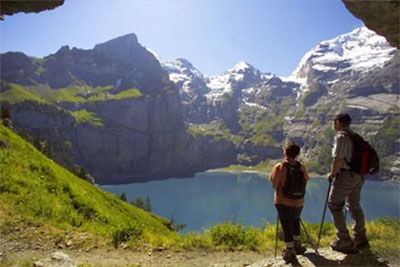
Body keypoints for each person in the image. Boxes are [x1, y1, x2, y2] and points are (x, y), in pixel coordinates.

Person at [327, 113, 369, 252]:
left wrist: (332, 174)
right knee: (354, 205)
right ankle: (360, 237)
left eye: (334, 121)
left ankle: (344, 239)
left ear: (338, 122)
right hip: (358, 176)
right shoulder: (356, 137)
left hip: (346, 175)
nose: (333, 124)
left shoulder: (341, 136)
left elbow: (338, 159)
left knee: (334, 204)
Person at [270, 141, 310, 264]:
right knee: (295, 220)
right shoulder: (301, 167)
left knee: (286, 224)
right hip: (298, 201)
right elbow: (306, 180)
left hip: (283, 201)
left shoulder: (280, 167)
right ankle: (298, 244)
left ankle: (289, 250)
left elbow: (274, 184)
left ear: (285, 152)